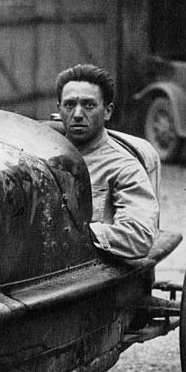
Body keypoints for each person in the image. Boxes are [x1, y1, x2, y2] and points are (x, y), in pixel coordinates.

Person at [55, 63, 158, 260]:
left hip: (91, 273)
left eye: (88, 105)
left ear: (108, 111)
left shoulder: (124, 168)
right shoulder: (42, 154)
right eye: (69, 105)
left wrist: (75, 234)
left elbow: (138, 236)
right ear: (59, 109)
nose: (77, 114)